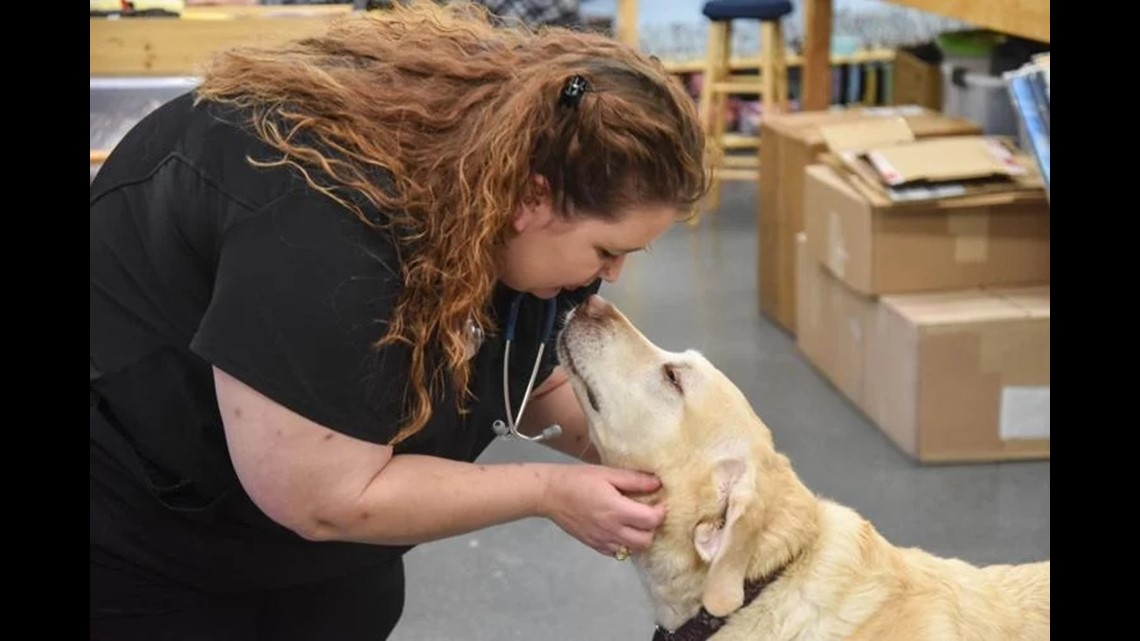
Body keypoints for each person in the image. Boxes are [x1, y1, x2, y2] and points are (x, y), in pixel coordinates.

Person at [89, 1, 709, 638]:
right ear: (533, 197)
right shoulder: (316, 221)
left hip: (320, 560)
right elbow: (324, 498)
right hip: (147, 542)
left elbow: (529, 378)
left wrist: (672, 471)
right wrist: (547, 492)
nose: (611, 278)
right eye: (607, 251)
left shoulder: (501, 196)